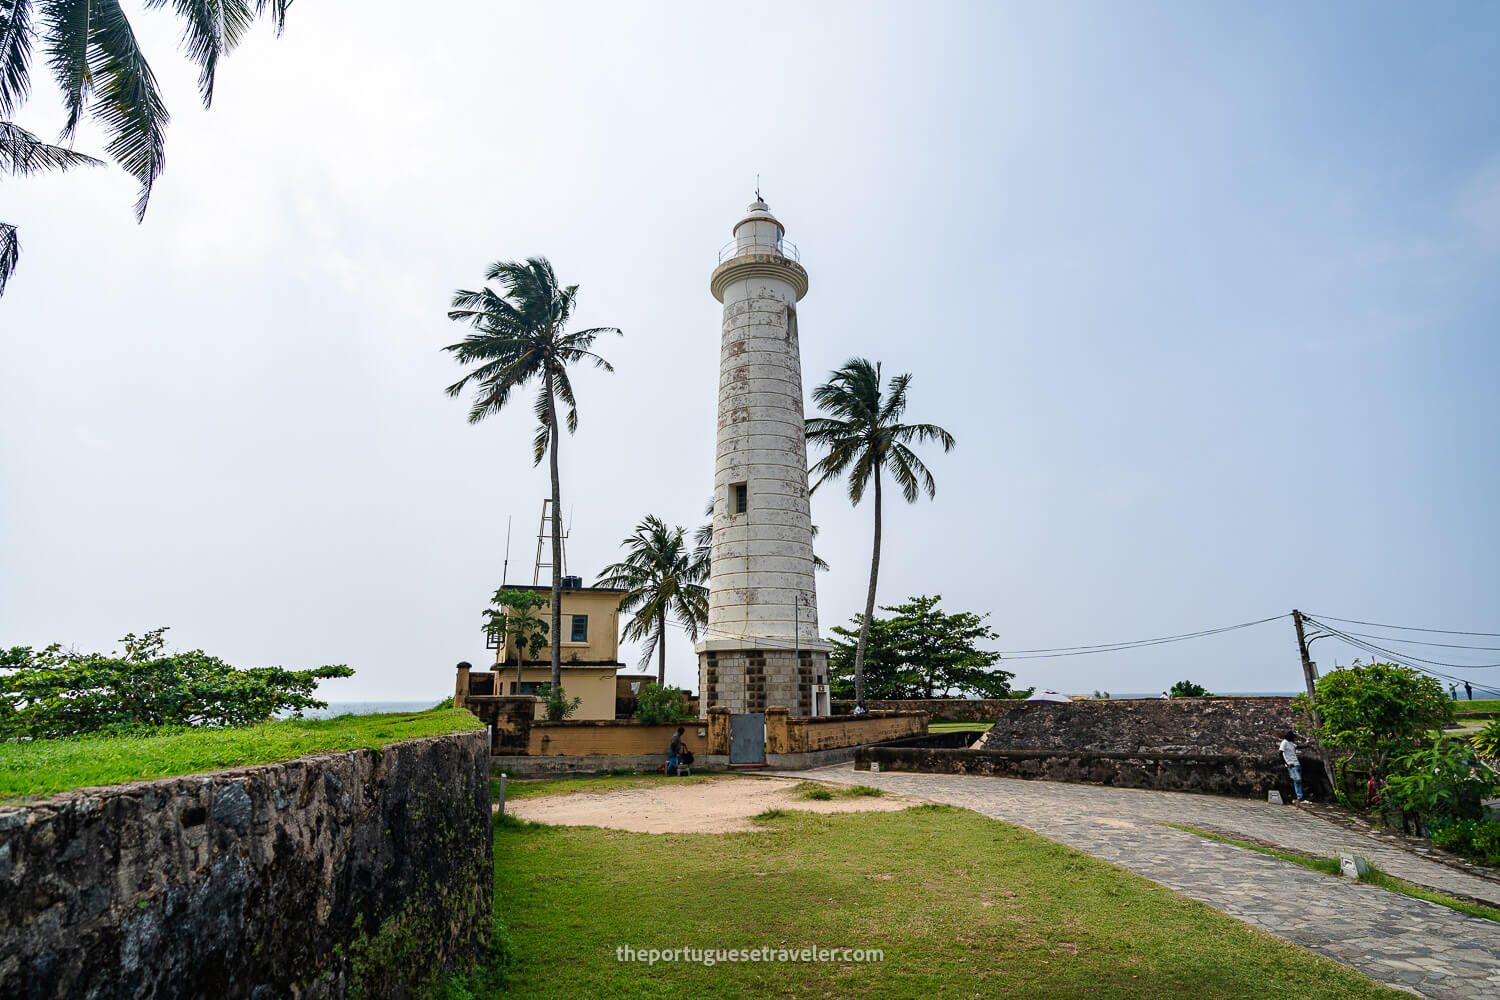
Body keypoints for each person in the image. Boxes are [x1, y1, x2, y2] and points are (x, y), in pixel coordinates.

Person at [1279, 730, 1304, 803]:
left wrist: (1308, 746)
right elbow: (1280, 753)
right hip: (1292, 765)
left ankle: (1300, 797)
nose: (1294, 739)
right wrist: (1286, 763)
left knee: (1298, 780)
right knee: (1297, 780)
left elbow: (1298, 747)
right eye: (1293, 737)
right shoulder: (1284, 743)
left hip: (1297, 764)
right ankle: (1300, 797)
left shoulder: (1291, 743)